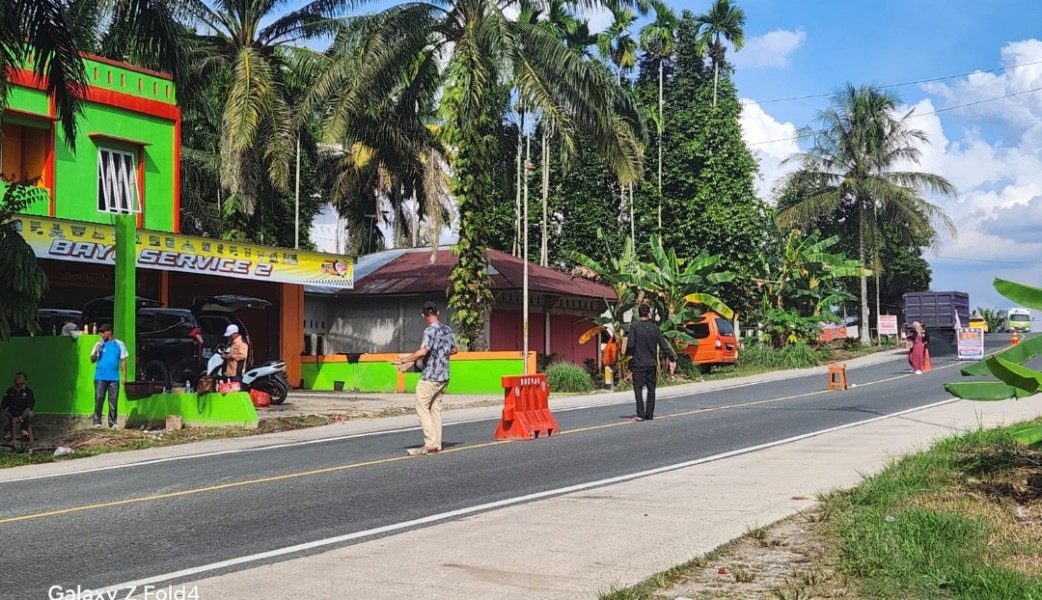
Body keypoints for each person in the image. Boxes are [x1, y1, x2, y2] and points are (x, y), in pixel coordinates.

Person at [393, 301, 458, 456]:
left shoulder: (429, 332)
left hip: (430, 376)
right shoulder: (447, 330)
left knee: (422, 408)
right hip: (444, 375)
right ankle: (437, 443)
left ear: (423, 315)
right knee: (435, 409)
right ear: (438, 312)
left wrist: (404, 360)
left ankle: (430, 443)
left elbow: (423, 352)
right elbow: (454, 350)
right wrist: (442, 354)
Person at [625, 304, 678, 421]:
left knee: (638, 388)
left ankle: (640, 413)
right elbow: (664, 345)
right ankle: (649, 414)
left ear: (639, 314)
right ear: (648, 314)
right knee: (651, 388)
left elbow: (630, 345)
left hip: (638, 363)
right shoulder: (655, 329)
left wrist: (627, 357)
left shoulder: (634, 327)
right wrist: (672, 359)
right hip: (651, 363)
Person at [91, 323, 128, 429]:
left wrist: (124, 376)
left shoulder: (119, 344)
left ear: (109, 332)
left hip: (114, 378)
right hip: (100, 377)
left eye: (103, 332)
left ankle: (113, 423)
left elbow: (123, 360)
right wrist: (96, 352)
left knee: (113, 401)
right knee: (99, 398)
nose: (101, 334)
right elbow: (92, 360)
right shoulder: (99, 344)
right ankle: (97, 422)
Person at [1, 372, 36, 440]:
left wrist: (23, 415)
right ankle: (8, 431)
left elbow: (30, 405)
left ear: (24, 380)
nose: (17, 379)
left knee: (30, 414)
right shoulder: (10, 390)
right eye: (16, 377)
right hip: (11, 412)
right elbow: (4, 402)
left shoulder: (28, 391)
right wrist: (1, 410)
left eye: (19, 377)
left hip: (23, 412)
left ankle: (23, 429)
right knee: (3, 415)